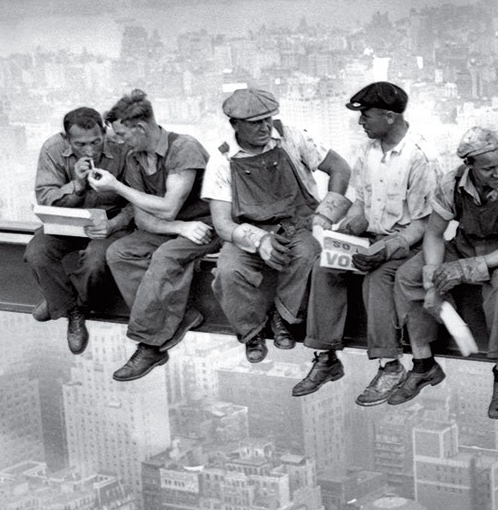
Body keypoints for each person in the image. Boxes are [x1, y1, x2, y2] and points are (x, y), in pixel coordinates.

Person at [293, 81, 438, 405]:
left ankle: (390, 366)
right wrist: (346, 233)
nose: (361, 122)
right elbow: (360, 203)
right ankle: (326, 357)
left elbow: (423, 225)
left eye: (366, 115)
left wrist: (384, 249)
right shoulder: (368, 152)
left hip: (407, 245)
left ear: (389, 116)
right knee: (325, 266)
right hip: (372, 239)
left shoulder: (420, 157)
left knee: (378, 278)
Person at [397, 126, 498, 419]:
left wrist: (464, 270)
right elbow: (434, 234)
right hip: (464, 245)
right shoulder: (452, 182)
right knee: (408, 276)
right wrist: (432, 281)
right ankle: (424, 363)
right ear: (470, 165)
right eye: (488, 169)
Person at [202, 87, 351, 363]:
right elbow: (222, 223)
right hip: (248, 230)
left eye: (267, 119)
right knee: (228, 270)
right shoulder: (222, 160)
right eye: (255, 122)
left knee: (307, 255)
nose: (265, 127)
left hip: (297, 225)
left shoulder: (292, 137)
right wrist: (259, 241)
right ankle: (252, 331)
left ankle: (284, 318)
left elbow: (340, 168)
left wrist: (326, 215)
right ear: (235, 125)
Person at [91, 90, 219, 381]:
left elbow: (168, 207)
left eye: (122, 134)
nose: (119, 141)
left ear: (140, 127)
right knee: (119, 253)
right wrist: (179, 228)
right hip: (178, 228)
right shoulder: (135, 158)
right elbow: (142, 217)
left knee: (165, 257)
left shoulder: (183, 148)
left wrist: (117, 187)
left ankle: (149, 345)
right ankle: (179, 316)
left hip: (206, 225)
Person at [26, 106, 133, 354]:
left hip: (109, 221)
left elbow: (136, 200)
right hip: (67, 219)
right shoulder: (53, 149)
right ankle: (72, 310)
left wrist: (113, 224)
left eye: (96, 142)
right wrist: (77, 185)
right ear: (66, 139)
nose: (90, 151)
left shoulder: (123, 147)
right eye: (80, 144)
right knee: (37, 253)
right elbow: (46, 198)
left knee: (96, 262)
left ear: (104, 132)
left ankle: (62, 301)